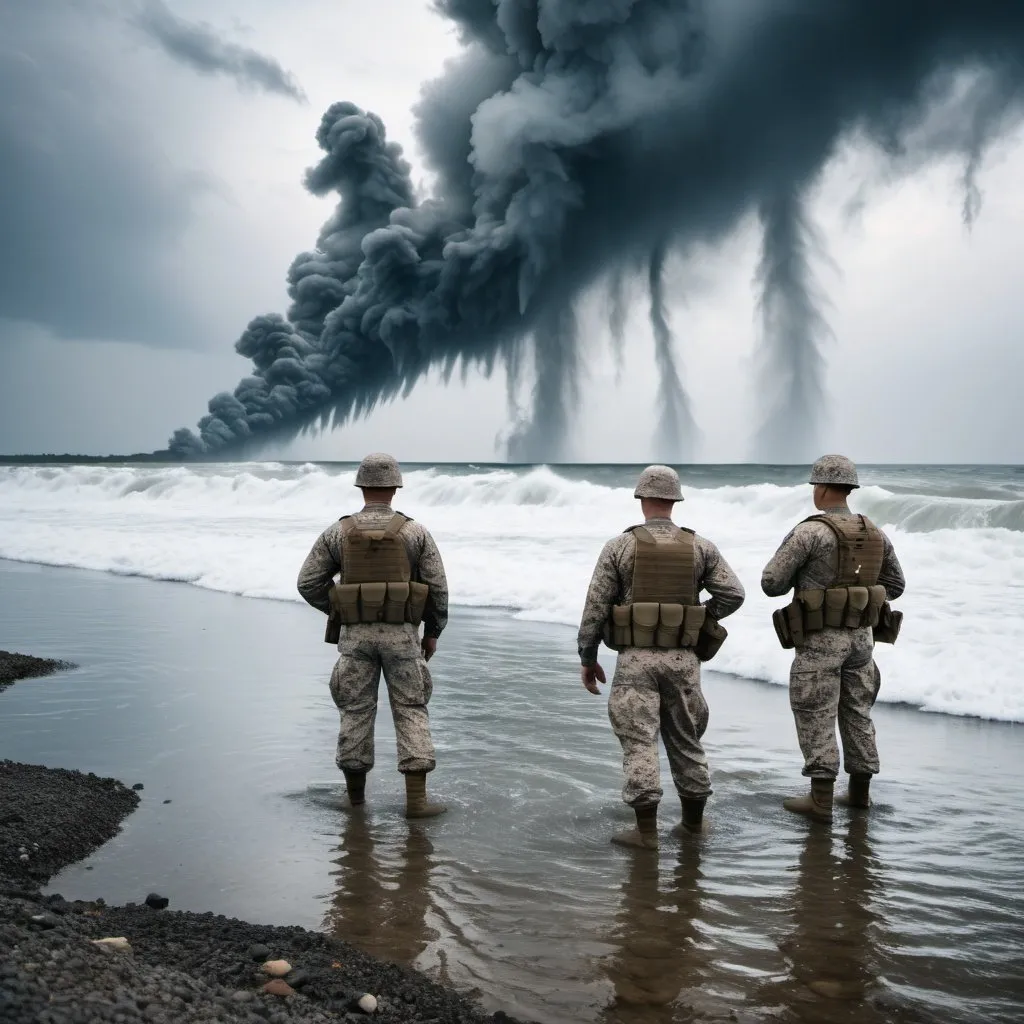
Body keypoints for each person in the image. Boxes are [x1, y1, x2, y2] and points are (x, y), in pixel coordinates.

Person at [577, 465, 745, 849]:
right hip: (684, 662)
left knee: (639, 742)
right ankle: (692, 826)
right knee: (687, 741)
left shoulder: (619, 546)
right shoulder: (700, 546)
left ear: (641, 499)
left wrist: (588, 657)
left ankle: (646, 832)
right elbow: (733, 594)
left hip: (636, 660)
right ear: (675, 500)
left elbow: (595, 609)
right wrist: (697, 616)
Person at [297, 452, 449, 818]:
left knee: (355, 712)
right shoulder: (415, 531)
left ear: (361, 486)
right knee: (412, 710)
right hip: (403, 639)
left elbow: (308, 583)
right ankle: (416, 803)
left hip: (356, 641)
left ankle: (355, 802)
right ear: (395, 487)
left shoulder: (338, 531)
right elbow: (437, 588)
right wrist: (433, 631)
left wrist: (342, 610)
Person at [761, 454, 906, 821]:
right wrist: (858, 599)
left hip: (819, 642)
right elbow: (896, 586)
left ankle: (820, 801)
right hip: (861, 642)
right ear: (850, 488)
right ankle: (859, 795)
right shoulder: (874, 531)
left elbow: (771, 583)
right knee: (858, 712)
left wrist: (816, 586)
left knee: (815, 712)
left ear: (821, 487)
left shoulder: (809, 532)